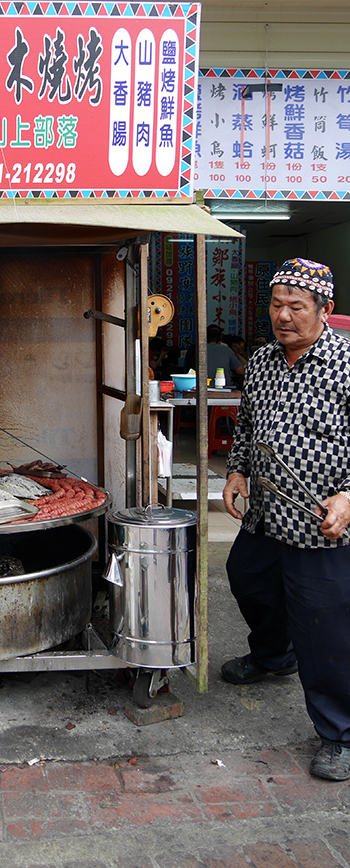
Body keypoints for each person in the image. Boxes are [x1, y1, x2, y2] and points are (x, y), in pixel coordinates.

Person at [222, 257, 350, 781]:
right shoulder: (263, 361)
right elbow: (248, 422)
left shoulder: (346, 362)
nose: (284, 316)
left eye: (296, 306)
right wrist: (235, 472)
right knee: (247, 579)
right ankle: (274, 655)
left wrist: (349, 496)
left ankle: (338, 735)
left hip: (322, 527)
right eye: (276, 305)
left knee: (323, 628)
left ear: (325, 309)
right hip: (268, 514)